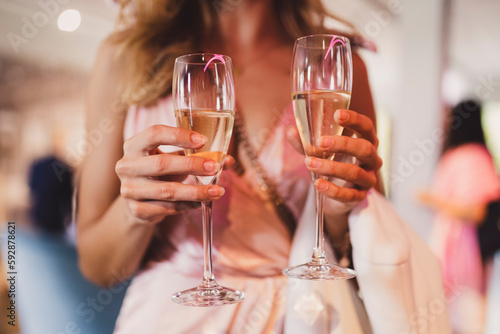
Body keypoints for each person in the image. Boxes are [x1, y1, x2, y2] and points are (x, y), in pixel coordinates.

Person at [76, 1, 384, 332]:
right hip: (171, 317)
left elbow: (374, 254)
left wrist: (339, 211)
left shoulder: (336, 63)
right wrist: (135, 207)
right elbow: (98, 269)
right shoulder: (126, 57)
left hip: (302, 314)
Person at [418, 100, 500, 334]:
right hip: (456, 256)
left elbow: (475, 211)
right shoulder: (477, 156)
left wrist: (431, 199)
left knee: (463, 322)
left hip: (463, 257)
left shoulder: (470, 156)